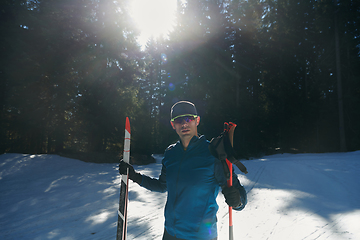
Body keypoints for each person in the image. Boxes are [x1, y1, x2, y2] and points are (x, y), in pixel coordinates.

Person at [119, 101, 247, 240]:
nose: (184, 124)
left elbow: (239, 195)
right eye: (179, 120)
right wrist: (134, 176)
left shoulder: (213, 153)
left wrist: (237, 201)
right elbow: (162, 186)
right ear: (173, 124)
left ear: (197, 120)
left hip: (200, 236)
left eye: (189, 118)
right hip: (170, 233)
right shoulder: (171, 153)